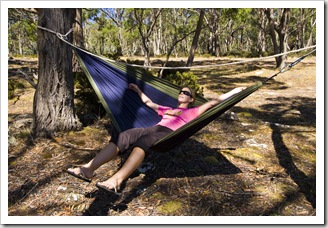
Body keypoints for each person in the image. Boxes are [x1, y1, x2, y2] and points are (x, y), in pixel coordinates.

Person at [67, 83, 245, 194]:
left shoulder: (193, 111)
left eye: (186, 92)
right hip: (153, 128)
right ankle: (88, 169)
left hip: (168, 133)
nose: (182, 93)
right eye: (180, 91)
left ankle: (117, 180)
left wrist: (234, 91)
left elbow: (214, 102)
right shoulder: (167, 109)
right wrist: (137, 89)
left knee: (143, 142)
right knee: (125, 135)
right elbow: (148, 103)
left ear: (191, 99)